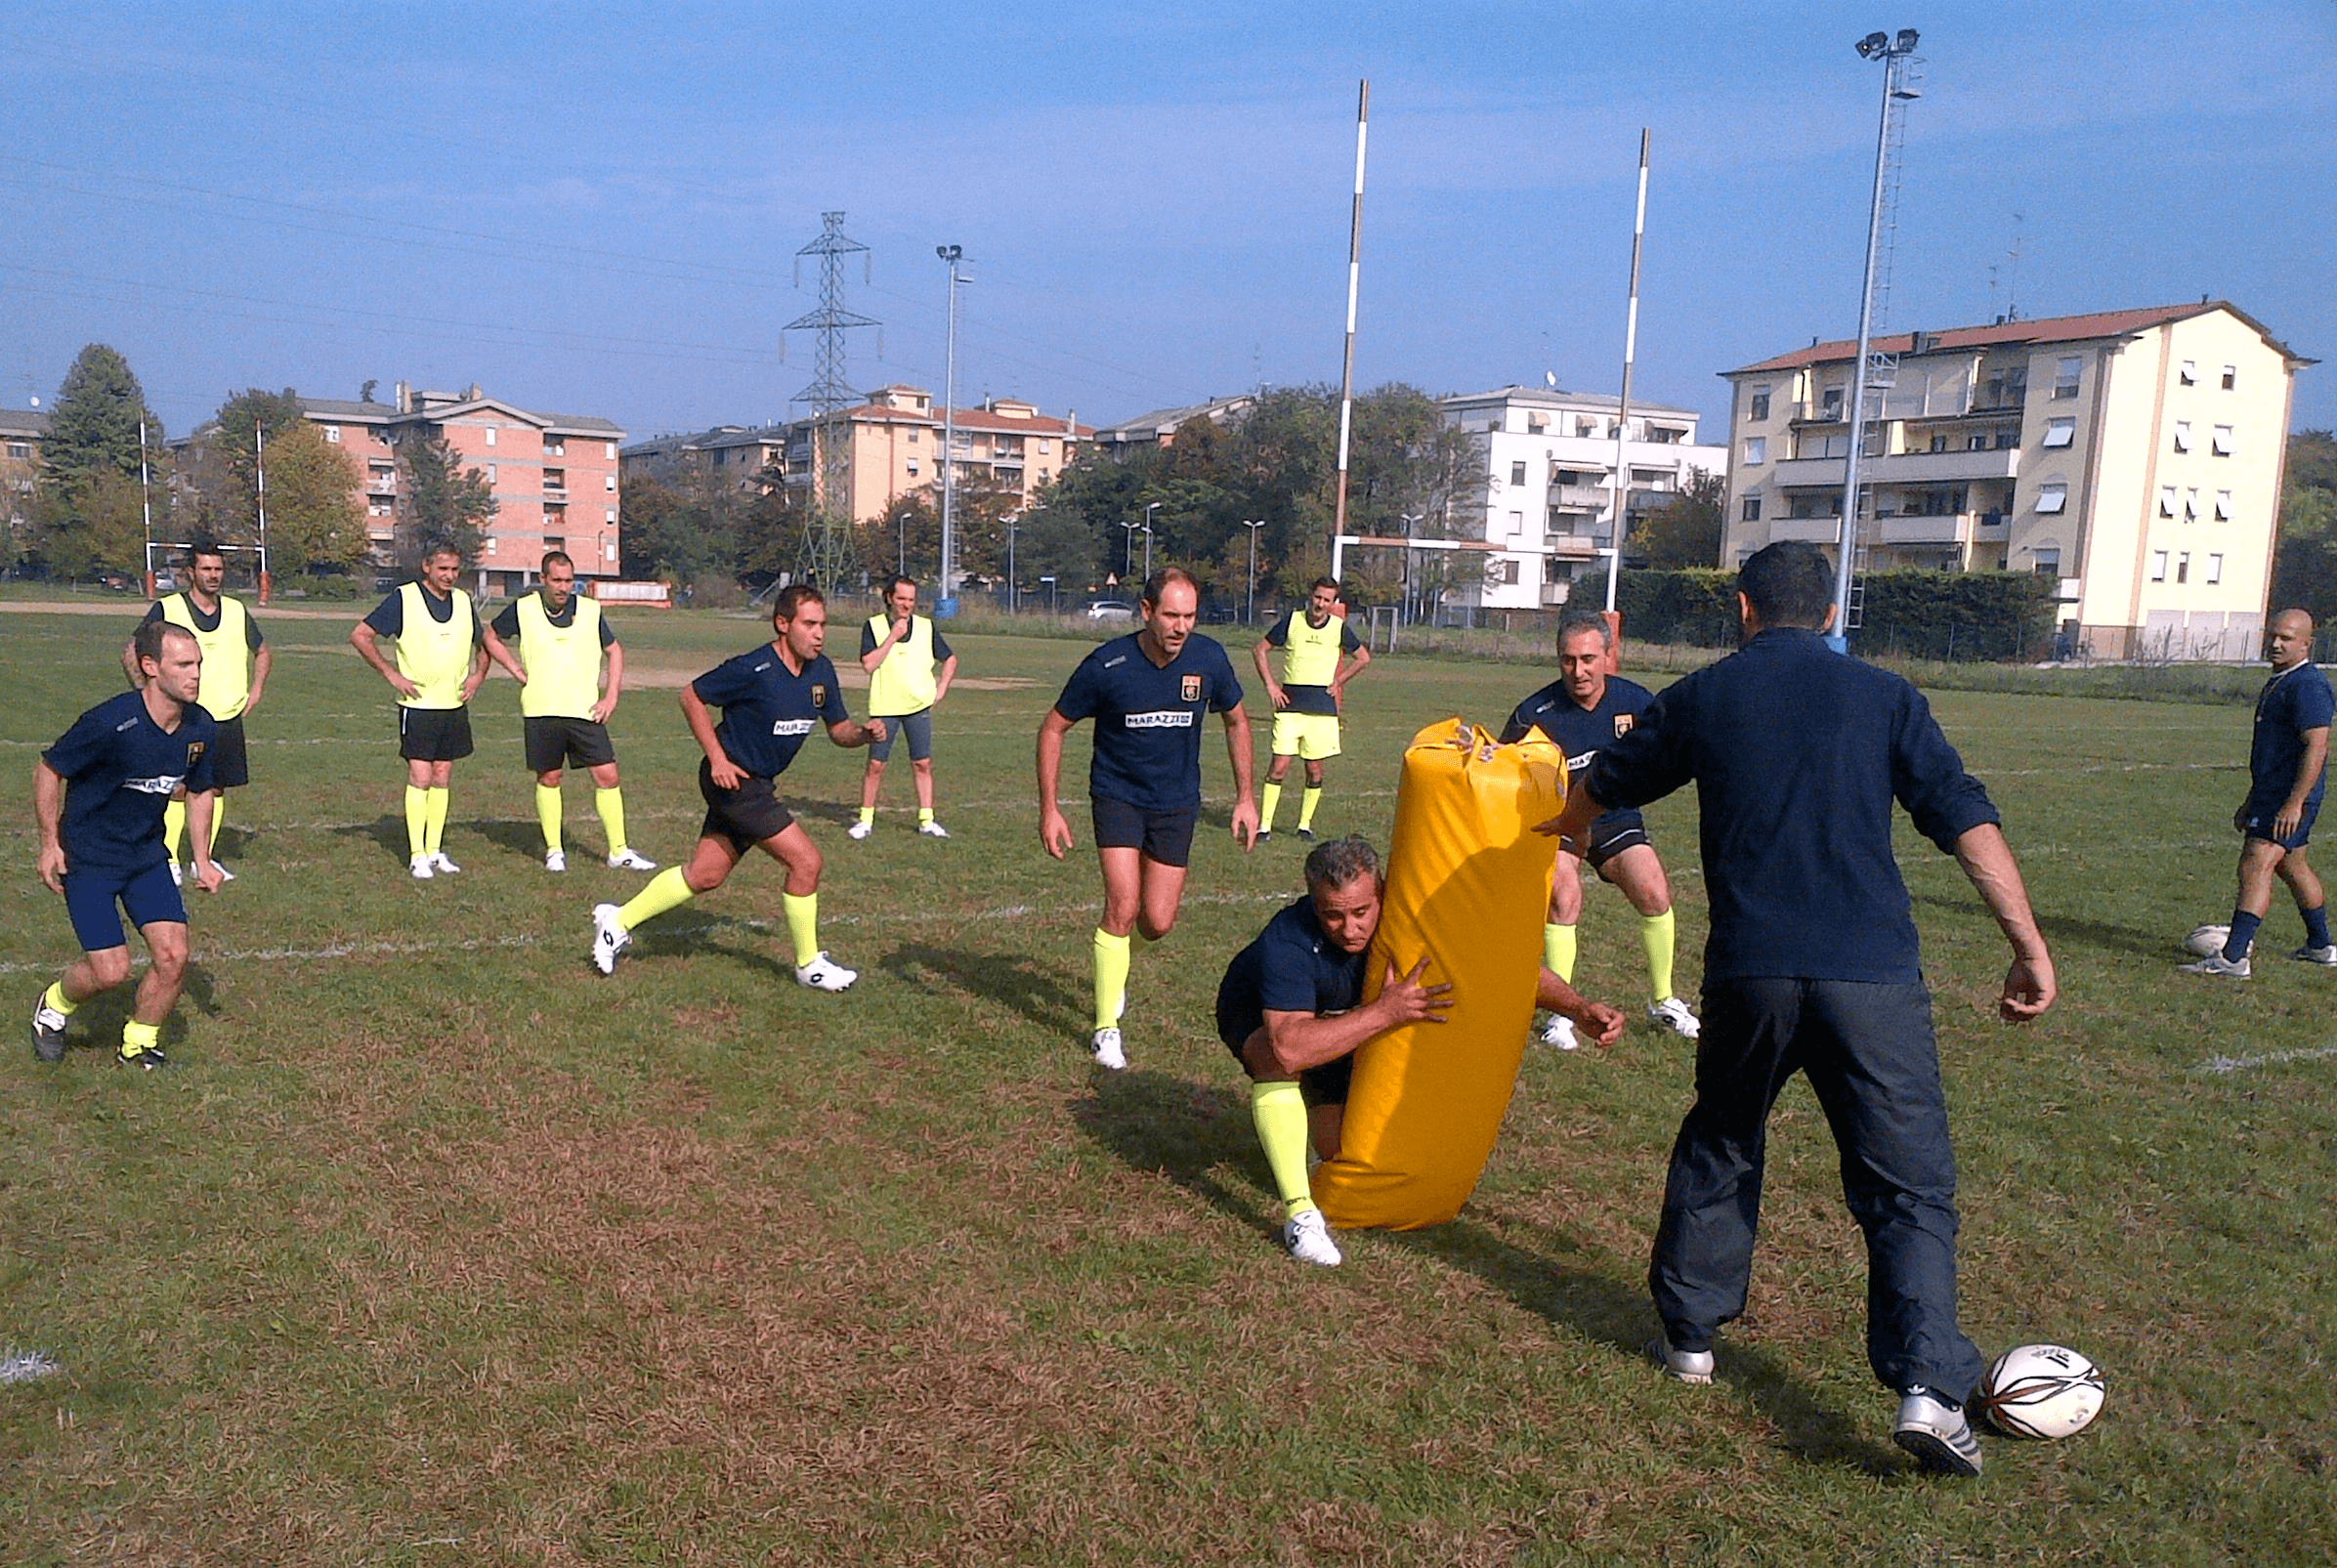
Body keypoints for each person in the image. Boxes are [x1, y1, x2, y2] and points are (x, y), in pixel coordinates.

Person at [1547, 541, 2055, 1478]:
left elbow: (1598, 791)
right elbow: (1964, 818)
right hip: (1873, 980)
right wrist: (2027, 943)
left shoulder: (1702, 694)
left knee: (1724, 1140)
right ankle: (1927, 1392)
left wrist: (1545, 847)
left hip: (1750, 975)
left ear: (1742, 608)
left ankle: (1692, 1340)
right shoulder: (1888, 697)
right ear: (1829, 613)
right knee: (1907, 1186)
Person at [1217, 834, 1625, 1265]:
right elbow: (1289, 1049)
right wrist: (1384, 1013)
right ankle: (1300, 1217)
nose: (1350, 928)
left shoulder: (1406, 915)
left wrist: (1578, 1009)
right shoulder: (1289, 941)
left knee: (1346, 1157)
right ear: (1312, 901)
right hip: (1268, 1020)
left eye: (1361, 912)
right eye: (1332, 915)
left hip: (1349, 1023)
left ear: (1382, 892)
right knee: (1275, 1063)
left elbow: (1495, 960)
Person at [590, 585, 883, 991]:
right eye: (810, 624)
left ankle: (616, 921)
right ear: (783, 624)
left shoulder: (822, 672)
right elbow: (691, 696)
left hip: (758, 784)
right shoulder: (752, 669)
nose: (819, 634)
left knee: (705, 875)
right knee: (806, 863)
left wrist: (863, 734)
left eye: (823, 625)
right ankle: (809, 965)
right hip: (733, 783)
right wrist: (717, 758)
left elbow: (839, 731)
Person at [1039, 566, 1257, 1070]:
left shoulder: (1209, 658)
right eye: (1171, 615)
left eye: (1190, 616)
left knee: (1156, 922)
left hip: (1177, 804)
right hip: (1117, 796)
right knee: (1122, 904)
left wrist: (1245, 797)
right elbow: (1052, 729)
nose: (1181, 627)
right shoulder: (1107, 665)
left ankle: (1115, 965)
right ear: (1146, 611)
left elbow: (1237, 720)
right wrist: (1050, 808)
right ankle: (1105, 1029)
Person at [1501, 613, 1699, 1047]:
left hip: (1614, 815)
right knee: (1563, 895)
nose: (1579, 671)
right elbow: (1500, 765)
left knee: (1655, 893)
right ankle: (1561, 1018)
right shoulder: (1535, 712)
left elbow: (1673, 749)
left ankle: (1664, 999)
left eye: (1588, 659)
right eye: (1568, 660)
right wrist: (1479, 752)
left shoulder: (1637, 702)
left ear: (1609, 657)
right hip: (1560, 821)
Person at [32, 621, 222, 1070]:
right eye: (183, 665)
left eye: (198, 664)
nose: (195, 674)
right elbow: (49, 769)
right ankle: (54, 1008)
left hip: (146, 858)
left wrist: (203, 859)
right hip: (91, 859)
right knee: (110, 971)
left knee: (174, 954)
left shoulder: (201, 729)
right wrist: (48, 843)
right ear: (150, 666)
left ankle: (138, 1043)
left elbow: (199, 791)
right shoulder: (110, 723)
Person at [481, 549, 657, 874]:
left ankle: (619, 851)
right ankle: (554, 851)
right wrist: (515, 669)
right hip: (542, 709)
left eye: (569, 580)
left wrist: (611, 696)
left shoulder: (590, 610)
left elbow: (614, 650)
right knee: (550, 777)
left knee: (608, 776)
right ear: (542, 580)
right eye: (557, 580)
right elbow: (489, 635)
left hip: (584, 710)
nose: (563, 587)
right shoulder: (524, 608)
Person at [2180, 608, 2332, 975]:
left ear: (2306, 644)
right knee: (2292, 866)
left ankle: (2232, 959)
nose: (2276, 644)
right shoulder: (2281, 680)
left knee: (2256, 863)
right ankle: (2320, 945)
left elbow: (2317, 746)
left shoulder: (2307, 684)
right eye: (2273, 635)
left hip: (2288, 797)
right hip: (2272, 794)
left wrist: (2294, 802)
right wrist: (2253, 798)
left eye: (2287, 638)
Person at [350, 541, 489, 879]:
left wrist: (477, 677)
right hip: (419, 706)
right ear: (427, 567)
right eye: (443, 569)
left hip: (453, 705)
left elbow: (485, 645)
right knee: (421, 776)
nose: (450, 576)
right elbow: (361, 635)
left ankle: (435, 849)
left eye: (455, 570)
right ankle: (416, 855)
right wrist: (391, 673)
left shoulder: (463, 601)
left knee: (442, 776)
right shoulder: (405, 598)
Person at [136, 539, 269, 886]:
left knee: (216, 788)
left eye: (218, 569)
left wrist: (255, 690)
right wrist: (147, 696)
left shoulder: (237, 611)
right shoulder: (167, 609)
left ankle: (202, 860)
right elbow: (133, 653)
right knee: (178, 789)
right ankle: (167, 860)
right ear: (190, 573)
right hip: (183, 718)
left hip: (224, 717)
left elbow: (263, 652)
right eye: (206, 569)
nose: (213, 575)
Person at [1252, 576, 1371, 842]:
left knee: (1314, 770)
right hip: (1290, 707)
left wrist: (1339, 681)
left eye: (1326, 600)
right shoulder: (1292, 621)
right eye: (1317, 597)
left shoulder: (1339, 628)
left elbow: (1363, 657)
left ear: (1333, 602)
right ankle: (1264, 827)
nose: (1320, 603)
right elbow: (1260, 650)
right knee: (1279, 766)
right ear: (1310, 596)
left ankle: (1304, 825)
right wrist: (1271, 686)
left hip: (1322, 711)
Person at [850, 573, 959, 841]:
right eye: (901, 599)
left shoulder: (925, 627)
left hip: (917, 707)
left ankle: (926, 820)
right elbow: (869, 664)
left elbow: (950, 659)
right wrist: (892, 637)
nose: (907, 605)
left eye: (911, 600)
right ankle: (865, 820)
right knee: (876, 765)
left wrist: (941, 689)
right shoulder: (874, 626)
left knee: (922, 763)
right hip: (884, 707)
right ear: (889, 598)